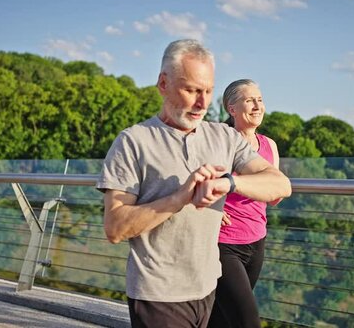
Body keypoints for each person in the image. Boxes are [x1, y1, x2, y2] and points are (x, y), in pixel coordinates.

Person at [96, 39, 291, 328]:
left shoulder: (225, 138)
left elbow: (280, 185)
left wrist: (228, 183)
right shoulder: (133, 141)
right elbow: (115, 228)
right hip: (158, 295)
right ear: (163, 83)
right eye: (192, 90)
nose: (202, 103)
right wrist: (180, 197)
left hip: (208, 288)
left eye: (208, 91)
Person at [207, 79, 281, 328]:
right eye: (249, 100)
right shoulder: (218, 141)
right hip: (223, 243)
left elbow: (275, 192)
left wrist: (272, 188)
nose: (257, 105)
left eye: (259, 100)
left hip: (257, 239)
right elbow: (191, 181)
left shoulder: (269, 145)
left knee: (221, 318)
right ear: (232, 108)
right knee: (247, 321)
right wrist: (210, 208)